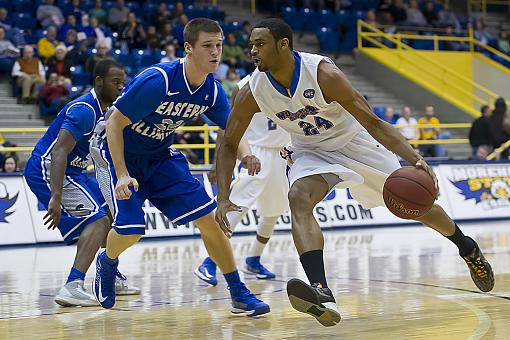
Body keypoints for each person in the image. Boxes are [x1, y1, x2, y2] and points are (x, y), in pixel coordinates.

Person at [214, 18, 494, 327]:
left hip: (356, 142)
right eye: (251, 45)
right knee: (298, 197)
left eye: (260, 44)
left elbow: (372, 122)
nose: (252, 50)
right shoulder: (252, 90)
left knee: (418, 207)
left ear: (283, 44)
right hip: (310, 150)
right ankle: (321, 291)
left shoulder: (322, 73)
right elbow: (228, 142)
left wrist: (413, 157)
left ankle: (466, 246)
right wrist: (223, 196)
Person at [90, 18, 270, 317]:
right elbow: (114, 123)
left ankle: (238, 291)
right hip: (119, 153)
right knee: (131, 231)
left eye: (219, 45)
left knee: (210, 221)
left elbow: (232, 128)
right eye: (208, 46)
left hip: (160, 155)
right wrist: (122, 174)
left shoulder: (211, 91)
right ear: (188, 48)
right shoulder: (159, 80)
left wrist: (247, 154)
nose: (216, 52)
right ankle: (107, 262)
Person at [24, 60, 139, 307]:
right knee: (99, 221)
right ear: (99, 82)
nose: (121, 87)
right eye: (115, 82)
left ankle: (109, 273)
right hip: (48, 169)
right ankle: (72, 285)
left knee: (113, 210)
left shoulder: (110, 111)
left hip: (74, 172)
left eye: (123, 82)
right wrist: (55, 196)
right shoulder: (84, 110)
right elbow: (59, 153)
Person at [195, 74, 291, 285]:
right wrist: (216, 163)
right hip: (254, 152)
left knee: (273, 212)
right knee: (235, 207)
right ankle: (209, 262)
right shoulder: (244, 86)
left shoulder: (292, 79)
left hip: (281, 154)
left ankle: (254, 259)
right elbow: (226, 127)